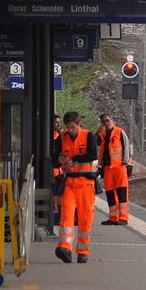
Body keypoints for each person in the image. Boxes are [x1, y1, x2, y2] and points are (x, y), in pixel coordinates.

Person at [53, 111, 98, 263]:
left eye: (73, 127)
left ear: (79, 124)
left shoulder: (89, 136)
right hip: (69, 183)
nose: (70, 130)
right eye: (68, 127)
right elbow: (54, 160)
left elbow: (93, 155)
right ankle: (64, 248)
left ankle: (83, 251)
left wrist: (74, 159)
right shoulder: (62, 138)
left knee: (85, 218)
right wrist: (59, 159)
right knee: (66, 216)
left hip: (86, 183)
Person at [97, 113, 132, 226]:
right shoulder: (102, 135)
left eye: (107, 120)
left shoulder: (119, 132)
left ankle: (123, 218)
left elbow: (126, 148)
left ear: (112, 120)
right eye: (103, 122)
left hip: (119, 167)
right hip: (107, 168)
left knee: (121, 193)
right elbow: (94, 142)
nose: (106, 123)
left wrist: (127, 164)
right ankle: (113, 217)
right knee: (110, 194)